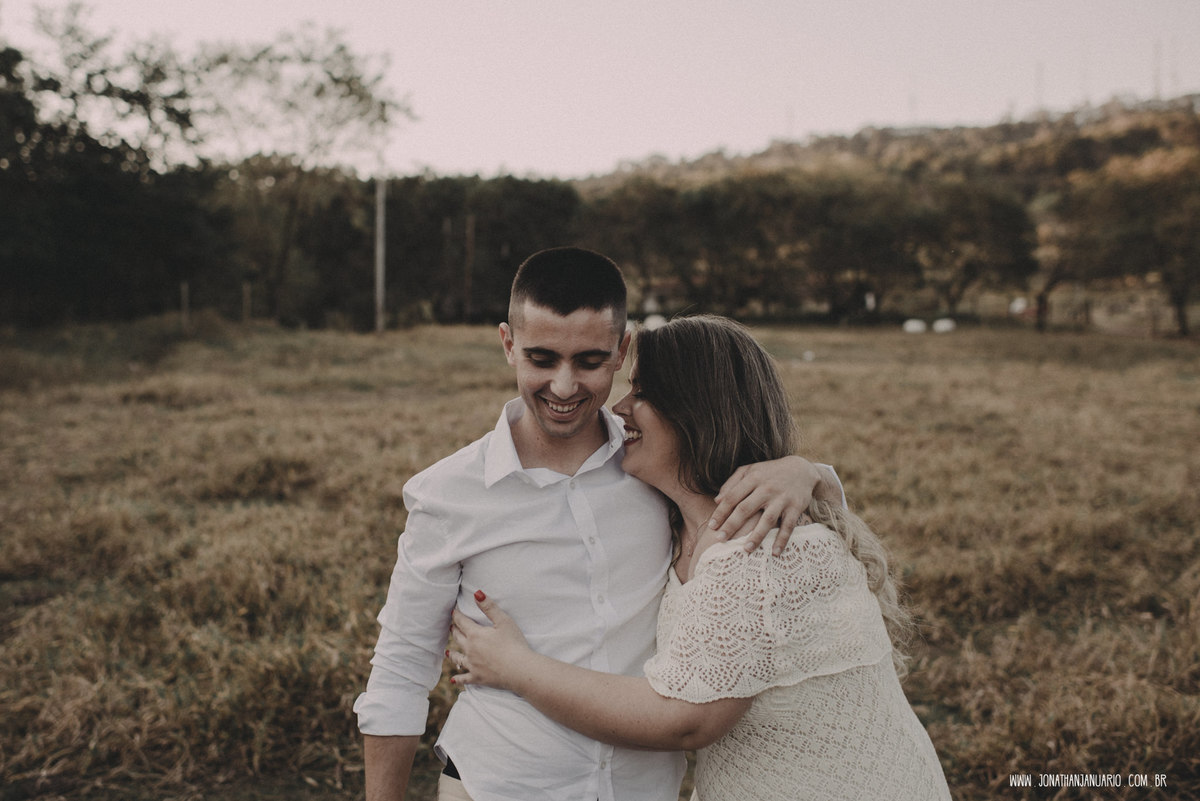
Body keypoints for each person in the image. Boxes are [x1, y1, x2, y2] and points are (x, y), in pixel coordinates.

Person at [355, 249, 843, 801]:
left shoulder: (656, 459)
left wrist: (806, 471)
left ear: (623, 351)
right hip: (499, 785)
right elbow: (400, 672)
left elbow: (737, 482)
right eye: (542, 359)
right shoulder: (447, 494)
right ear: (508, 344)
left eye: (589, 362)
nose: (564, 387)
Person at [450, 315, 952, 801]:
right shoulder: (677, 528)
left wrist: (516, 668)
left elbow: (684, 719)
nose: (621, 408)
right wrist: (807, 471)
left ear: (698, 412)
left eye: (642, 393)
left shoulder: (764, 549)